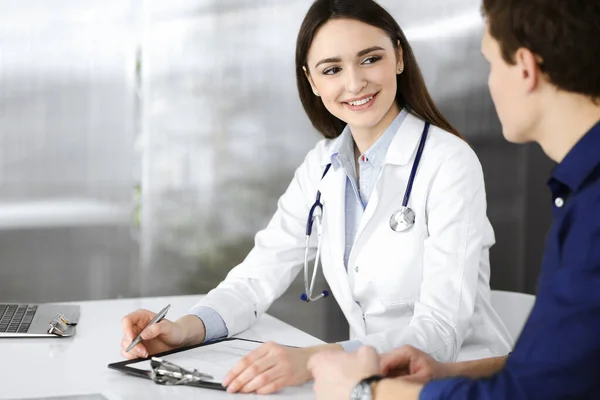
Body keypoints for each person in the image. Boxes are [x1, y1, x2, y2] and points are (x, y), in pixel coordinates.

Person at [119, 0, 513, 394]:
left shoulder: (449, 162)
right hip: (365, 384)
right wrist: (183, 330)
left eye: (370, 59)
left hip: (459, 382)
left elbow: (440, 331)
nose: (355, 83)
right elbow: (256, 278)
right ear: (312, 81)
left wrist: (314, 360)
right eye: (332, 69)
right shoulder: (322, 165)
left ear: (398, 57)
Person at [308, 0, 600, 398]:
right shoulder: (579, 192)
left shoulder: (592, 212)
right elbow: (563, 362)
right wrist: (445, 371)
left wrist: (367, 390)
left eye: (491, 64)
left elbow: (532, 392)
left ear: (526, 69)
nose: (490, 82)